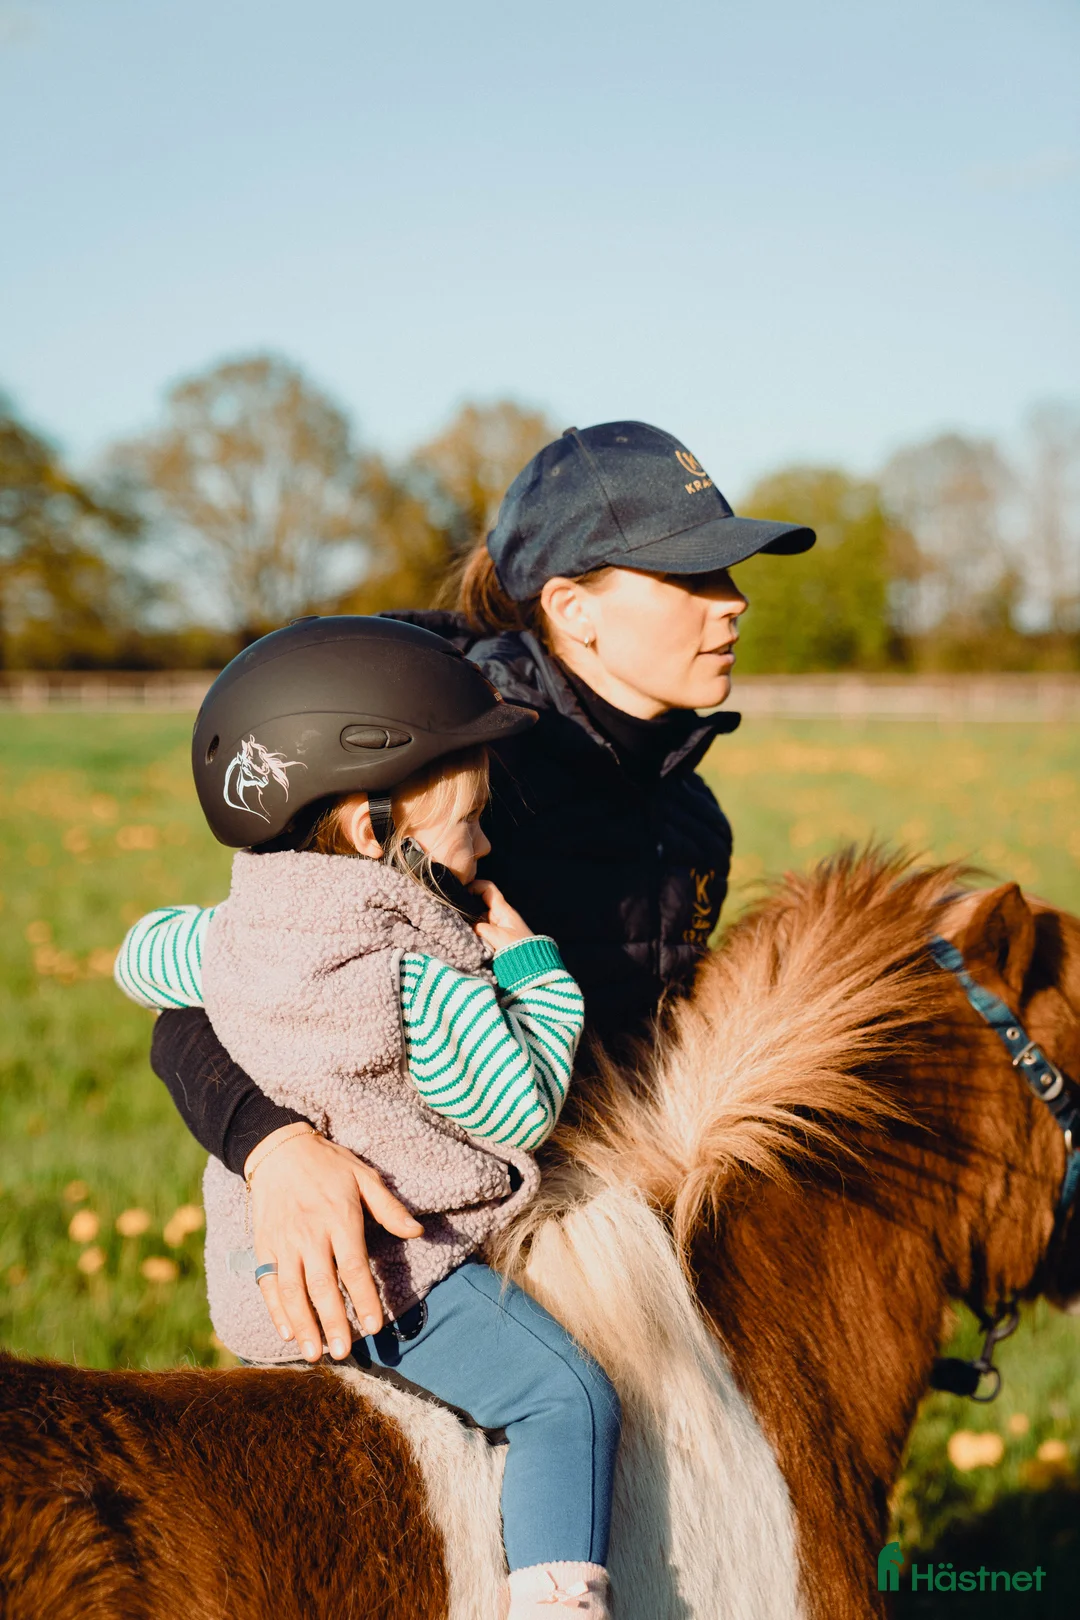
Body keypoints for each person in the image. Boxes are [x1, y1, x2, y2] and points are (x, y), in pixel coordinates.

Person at [141, 419, 815, 1367]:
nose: (734, 604)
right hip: (424, 1256)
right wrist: (273, 1149)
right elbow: (216, 986)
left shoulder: (694, 816)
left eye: (732, 574)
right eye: (694, 576)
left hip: (605, 1216)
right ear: (575, 608)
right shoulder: (436, 773)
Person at [116, 615, 621, 1620]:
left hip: (261, 1279)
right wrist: (534, 974)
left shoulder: (226, 940)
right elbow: (515, 1108)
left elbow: (141, 958)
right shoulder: (412, 987)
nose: (484, 846)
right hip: (392, 1274)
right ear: (368, 829)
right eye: (469, 820)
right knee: (568, 1398)